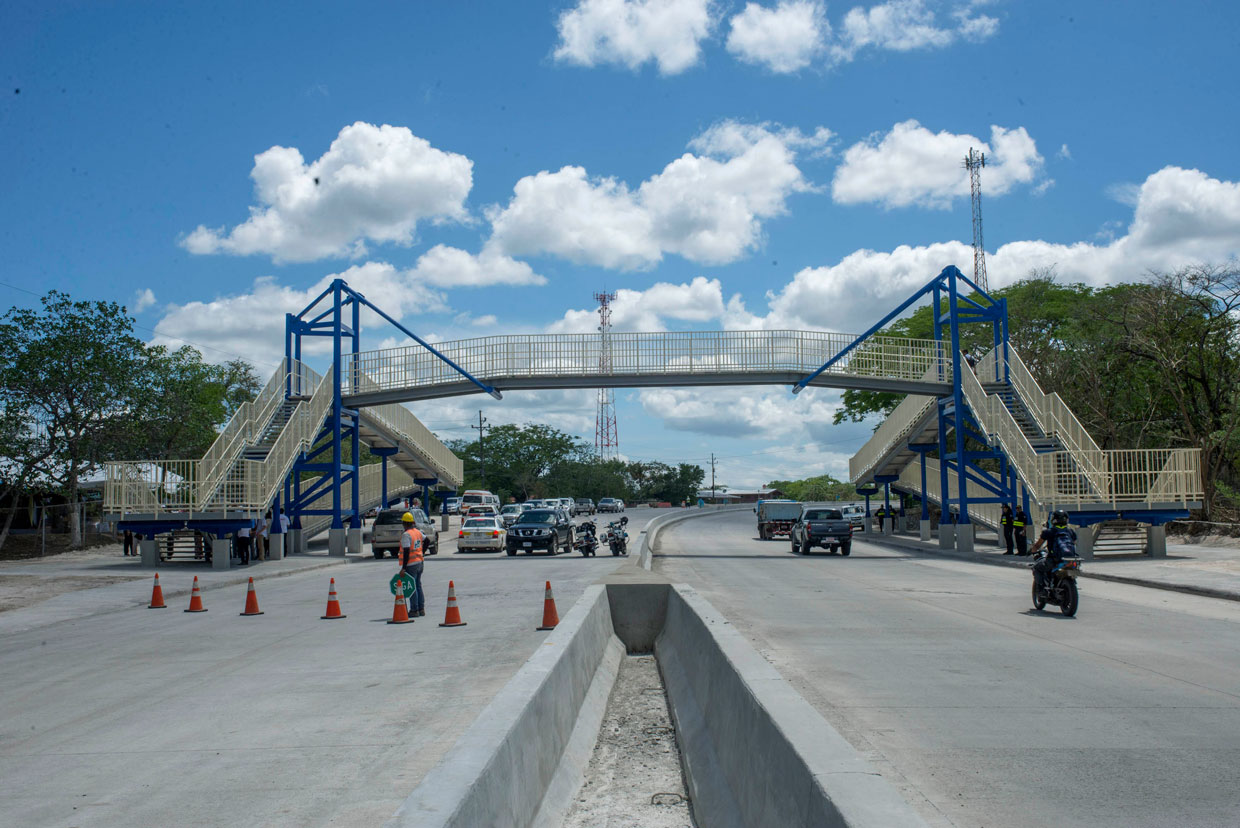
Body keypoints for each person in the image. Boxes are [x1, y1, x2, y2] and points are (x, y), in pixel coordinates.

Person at [1030, 510, 1077, 591]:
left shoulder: (1049, 532)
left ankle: (1041, 590)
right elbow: (1073, 543)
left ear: (1053, 520)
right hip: (1070, 559)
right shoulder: (1071, 531)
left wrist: (1032, 551)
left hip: (1054, 559)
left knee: (1037, 567)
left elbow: (1037, 545)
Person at [398, 511, 426, 617]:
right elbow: (426, 540)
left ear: (404, 523)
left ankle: (414, 610)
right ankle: (421, 608)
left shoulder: (406, 535)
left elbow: (406, 551)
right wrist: (422, 552)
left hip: (411, 565)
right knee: (418, 585)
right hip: (420, 562)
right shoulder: (417, 532)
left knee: (412, 586)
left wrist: (403, 568)